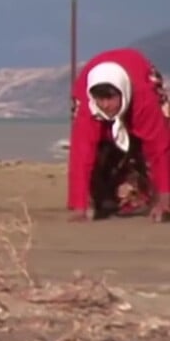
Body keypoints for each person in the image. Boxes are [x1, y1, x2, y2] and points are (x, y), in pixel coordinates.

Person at [66, 47, 170, 222]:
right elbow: (81, 156)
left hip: (139, 76)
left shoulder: (145, 100)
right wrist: (79, 208)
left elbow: (159, 148)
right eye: (100, 99)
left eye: (110, 98)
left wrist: (165, 197)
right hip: (91, 83)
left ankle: (150, 192)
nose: (105, 105)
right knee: (96, 154)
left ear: (122, 93)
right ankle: (101, 196)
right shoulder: (86, 106)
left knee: (158, 139)